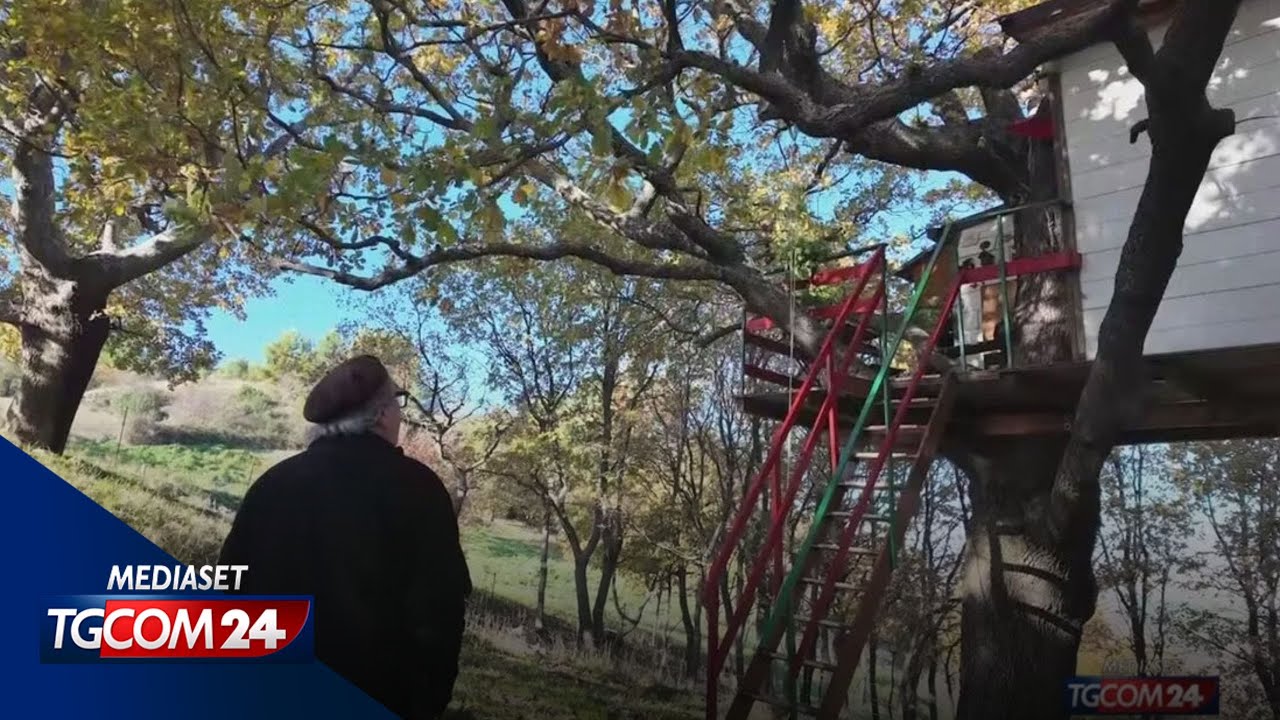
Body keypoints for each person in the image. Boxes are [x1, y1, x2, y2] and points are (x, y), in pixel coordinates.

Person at [217, 354, 472, 719]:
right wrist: (427, 702)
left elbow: (230, 586)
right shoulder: (419, 489)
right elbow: (441, 609)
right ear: (383, 414)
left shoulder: (273, 484)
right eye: (397, 404)